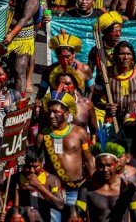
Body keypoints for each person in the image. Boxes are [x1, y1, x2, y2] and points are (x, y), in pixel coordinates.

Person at [37, 90, 94, 218]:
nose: (51, 115)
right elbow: (37, 161)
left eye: (56, 112)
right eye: (50, 111)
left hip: (77, 189)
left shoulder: (79, 133)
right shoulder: (43, 135)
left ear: (67, 115)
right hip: (55, 190)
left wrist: (93, 186)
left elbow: (88, 160)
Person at [76, 137, 136, 222]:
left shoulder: (129, 188)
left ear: (117, 165)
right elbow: (79, 213)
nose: (105, 169)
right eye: (101, 166)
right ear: (96, 166)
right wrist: (74, 213)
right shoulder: (86, 188)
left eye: (109, 165)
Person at [11, 148, 64, 222]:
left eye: (35, 167)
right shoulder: (17, 178)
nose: (31, 171)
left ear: (42, 163)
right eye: (28, 167)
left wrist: (39, 186)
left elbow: (60, 205)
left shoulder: (52, 180)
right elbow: (13, 204)